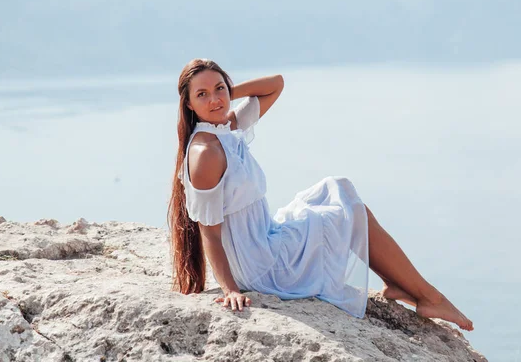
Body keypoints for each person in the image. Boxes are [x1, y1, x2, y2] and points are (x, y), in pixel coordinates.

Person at [168, 58, 474, 331]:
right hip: (260, 264)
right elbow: (209, 233)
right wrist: (230, 289)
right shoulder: (206, 152)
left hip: (266, 237)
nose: (214, 99)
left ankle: (401, 284)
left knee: (341, 194)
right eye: (202, 95)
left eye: (219, 88)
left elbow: (276, 84)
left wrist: (224, 96)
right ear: (189, 105)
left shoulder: (227, 127)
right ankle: (428, 296)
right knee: (351, 212)